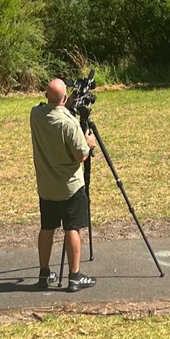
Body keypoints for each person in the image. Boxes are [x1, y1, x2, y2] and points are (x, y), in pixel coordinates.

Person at [30, 77, 97, 292]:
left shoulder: (36, 115)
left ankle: (43, 274)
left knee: (47, 227)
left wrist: (64, 105)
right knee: (72, 228)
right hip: (70, 187)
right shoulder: (70, 123)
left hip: (47, 186)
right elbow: (81, 155)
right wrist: (89, 143)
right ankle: (75, 276)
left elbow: (51, 108)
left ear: (45, 96)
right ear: (65, 98)